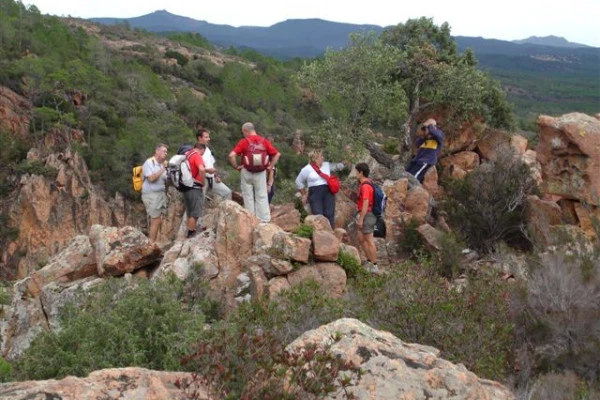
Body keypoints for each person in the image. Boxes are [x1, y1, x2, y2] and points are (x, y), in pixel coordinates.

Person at [228, 122, 280, 223]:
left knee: (248, 196)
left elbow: (231, 155)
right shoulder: (264, 141)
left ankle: (250, 219)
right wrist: (270, 167)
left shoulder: (243, 142)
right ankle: (264, 220)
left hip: (246, 171)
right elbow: (277, 154)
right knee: (262, 196)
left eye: (243, 132)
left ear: (246, 131)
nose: (243, 134)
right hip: (261, 172)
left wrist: (236, 167)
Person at [295, 149, 344, 228]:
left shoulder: (326, 165)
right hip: (315, 192)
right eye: (321, 156)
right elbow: (298, 181)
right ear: (315, 158)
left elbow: (339, 167)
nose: (323, 158)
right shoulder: (307, 169)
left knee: (329, 213)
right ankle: (320, 234)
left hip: (328, 191)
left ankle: (330, 234)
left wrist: (344, 161)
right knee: (318, 214)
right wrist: (304, 194)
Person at [141, 144, 169, 242]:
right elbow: (151, 178)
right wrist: (163, 169)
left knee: (158, 220)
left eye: (166, 152)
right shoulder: (149, 163)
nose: (166, 153)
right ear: (157, 151)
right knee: (155, 219)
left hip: (160, 194)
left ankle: (151, 242)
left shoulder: (162, 165)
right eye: (163, 151)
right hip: (151, 194)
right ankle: (151, 244)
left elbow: (165, 179)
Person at [196, 128, 232, 201]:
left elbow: (211, 164)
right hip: (201, 179)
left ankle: (226, 211)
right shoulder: (196, 150)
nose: (209, 139)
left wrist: (216, 175)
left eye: (208, 137)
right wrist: (207, 171)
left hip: (211, 179)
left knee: (227, 192)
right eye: (206, 137)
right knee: (198, 201)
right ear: (200, 138)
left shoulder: (208, 149)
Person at [355, 163, 378, 273]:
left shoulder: (366, 186)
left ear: (361, 172)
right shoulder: (365, 184)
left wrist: (361, 219)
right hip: (364, 214)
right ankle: (369, 261)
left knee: (369, 240)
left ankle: (374, 265)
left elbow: (366, 203)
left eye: (356, 172)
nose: (355, 174)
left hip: (367, 215)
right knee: (361, 239)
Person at [406, 118, 445, 183]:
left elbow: (438, 134)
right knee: (406, 174)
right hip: (417, 160)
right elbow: (418, 143)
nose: (424, 130)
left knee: (413, 178)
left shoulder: (438, 137)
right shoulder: (424, 139)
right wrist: (424, 136)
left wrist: (430, 126)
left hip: (426, 161)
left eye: (426, 128)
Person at [183, 142, 207, 238]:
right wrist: (203, 182)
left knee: (189, 212)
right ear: (202, 149)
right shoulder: (197, 156)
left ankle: (188, 232)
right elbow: (201, 169)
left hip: (186, 187)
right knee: (195, 213)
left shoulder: (187, 155)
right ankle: (191, 234)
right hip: (195, 187)